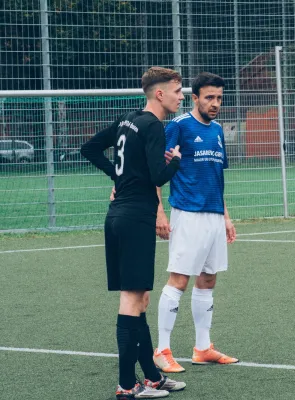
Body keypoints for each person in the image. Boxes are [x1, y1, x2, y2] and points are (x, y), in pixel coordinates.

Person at [81, 66, 187, 399]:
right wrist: (176, 161)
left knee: (140, 299)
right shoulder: (154, 125)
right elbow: (158, 176)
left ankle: (152, 378)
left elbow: (90, 148)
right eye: (177, 91)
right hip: (135, 218)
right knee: (131, 300)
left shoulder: (128, 119)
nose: (180, 96)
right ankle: (127, 386)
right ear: (160, 94)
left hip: (117, 218)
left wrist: (118, 178)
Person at [152, 72, 238, 374]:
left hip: (214, 216)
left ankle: (202, 348)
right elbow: (157, 171)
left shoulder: (216, 131)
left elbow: (217, 178)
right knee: (179, 280)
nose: (215, 104)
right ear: (195, 98)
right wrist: (159, 212)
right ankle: (161, 349)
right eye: (209, 98)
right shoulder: (178, 127)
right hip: (187, 214)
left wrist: (226, 218)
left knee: (208, 279)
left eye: (219, 99)